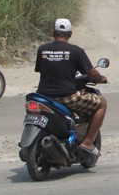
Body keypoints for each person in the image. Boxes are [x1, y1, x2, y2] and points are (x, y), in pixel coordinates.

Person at [35, 18, 107, 162]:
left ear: (53, 32)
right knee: (102, 103)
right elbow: (91, 72)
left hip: (43, 96)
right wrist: (100, 79)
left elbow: (40, 69)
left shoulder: (42, 49)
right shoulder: (76, 51)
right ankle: (87, 142)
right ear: (70, 34)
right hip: (66, 96)